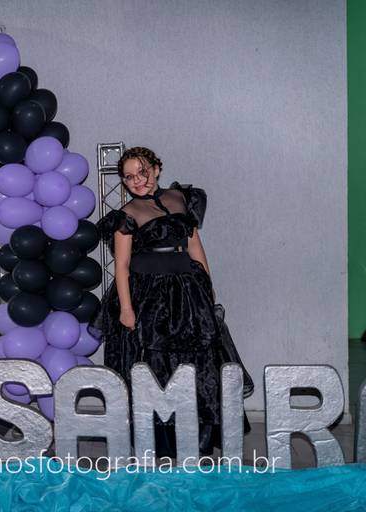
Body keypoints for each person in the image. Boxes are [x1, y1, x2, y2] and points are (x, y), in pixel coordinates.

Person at [89, 146, 251, 459]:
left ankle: (197, 437)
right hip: (148, 297)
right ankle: (161, 441)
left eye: (143, 172)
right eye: (129, 177)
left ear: (157, 169)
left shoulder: (180, 199)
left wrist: (208, 286)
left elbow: (194, 245)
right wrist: (126, 309)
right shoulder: (127, 215)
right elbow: (121, 266)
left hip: (187, 291)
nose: (138, 181)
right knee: (155, 364)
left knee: (196, 361)